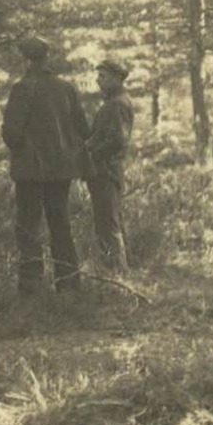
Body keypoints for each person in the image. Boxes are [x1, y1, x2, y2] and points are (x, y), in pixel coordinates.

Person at [0, 36, 90, 295]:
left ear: (25, 59)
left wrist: (21, 150)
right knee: (60, 223)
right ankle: (69, 283)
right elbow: (83, 128)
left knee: (28, 226)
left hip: (30, 172)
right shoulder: (66, 88)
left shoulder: (22, 88)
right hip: (61, 170)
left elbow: (11, 133)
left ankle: (31, 287)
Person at [85, 59, 135, 274]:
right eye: (99, 76)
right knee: (110, 219)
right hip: (105, 169)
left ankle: (117, 271)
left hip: (106, 170)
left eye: (103, 76)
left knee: (108, 222)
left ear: (116, 78)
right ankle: (120, 267)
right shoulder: (114, 102)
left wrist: (90, 155)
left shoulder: (118, 104)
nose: (98, 81)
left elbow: (116, 141)